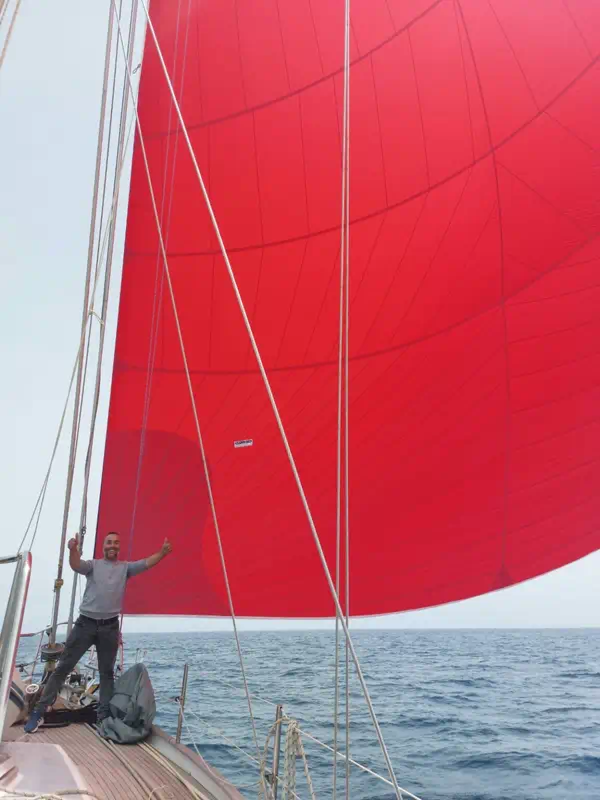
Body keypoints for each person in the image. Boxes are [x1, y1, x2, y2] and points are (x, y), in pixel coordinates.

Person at [24, 530, 172, 734]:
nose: (113, 545)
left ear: (119, 547)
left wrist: (163, 553)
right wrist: (73, 548)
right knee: (62, 668)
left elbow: (146, 563)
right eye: (109, 542)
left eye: (116, 543)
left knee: (106, 674)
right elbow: (76, 565)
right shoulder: (93, 566)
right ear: (103, 546)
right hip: (85, 625)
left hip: (109, 628)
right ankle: (38, 712)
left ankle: (103, 718)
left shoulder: (125, 568)